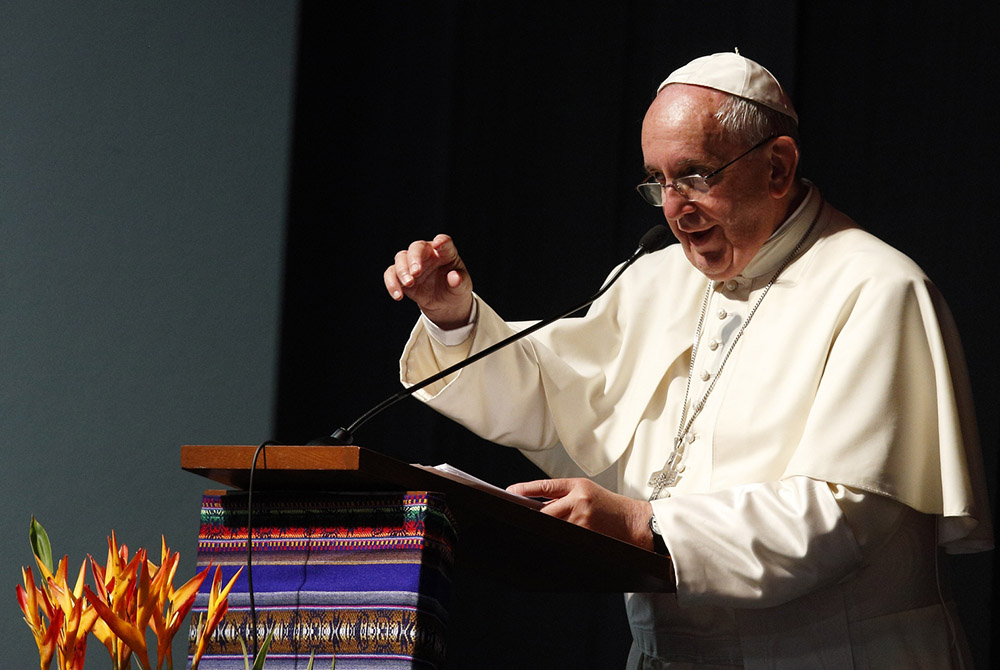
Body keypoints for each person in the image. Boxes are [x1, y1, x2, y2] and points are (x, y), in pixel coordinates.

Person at [382, 52, 993, 669]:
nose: (675, 208)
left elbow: (842, 515)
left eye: (696, 175)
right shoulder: (654, 280)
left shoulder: (876, 288)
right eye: (659, 181)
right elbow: (553, 397)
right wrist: (453, 317)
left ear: (778, 167)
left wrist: (646, 523)